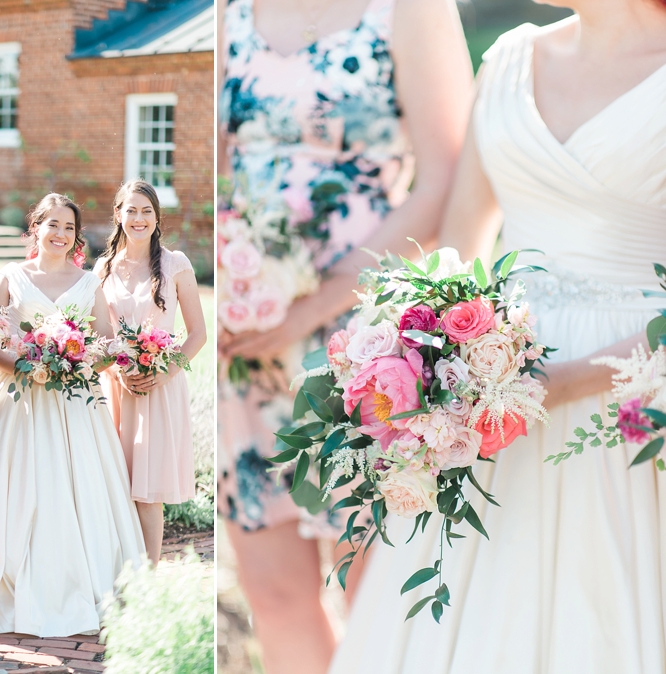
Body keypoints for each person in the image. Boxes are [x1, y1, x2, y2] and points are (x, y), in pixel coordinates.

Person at [330, 1, 666, 672]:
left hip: (631, 401)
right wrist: (420, 365)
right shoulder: (510, 60)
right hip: (492, 399)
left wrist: (561, 383)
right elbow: (457, 252)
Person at [215, 0, 473, 670]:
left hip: (368, 341)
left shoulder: (410, 9)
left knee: (371, 582)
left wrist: (313, 309)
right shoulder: (229, 11)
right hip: (247, 343)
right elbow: (208, 162)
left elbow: (448, 182)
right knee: (272, 591)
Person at [0, 194, 145, 637]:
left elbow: (108, 345)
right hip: (17, 398)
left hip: (75, 404)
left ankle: (84, 583)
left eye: (69, 227)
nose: (60, 233)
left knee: (77, 490)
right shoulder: (11, 276)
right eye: (52, 224)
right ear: (35, 227)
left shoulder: (89, 281)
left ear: (77, 236)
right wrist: (25, 363)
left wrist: (74, 363)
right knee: (7, 490)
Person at [95, 179, 208, 565]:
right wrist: (117, 366)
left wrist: (165, 372)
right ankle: (115, 573)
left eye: (146, 210)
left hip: (160, 387)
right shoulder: (103, 268)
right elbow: (97, 334)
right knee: (115, 485)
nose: (138, 218)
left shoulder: (176, 264)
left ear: (157, 217)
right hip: (114, 387)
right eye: (131, 210)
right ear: (118, 215)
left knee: (147, 491)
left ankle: (149, 579)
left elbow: (198, 334)